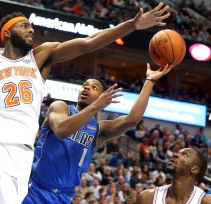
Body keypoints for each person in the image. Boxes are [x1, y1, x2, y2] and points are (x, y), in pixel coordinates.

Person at [0, 3, 170, 203]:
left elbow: (90, 43)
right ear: (7, 33)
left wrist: (132, 25)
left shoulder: (40, 57)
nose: (31, 29)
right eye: (24, 26)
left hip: (24, 151)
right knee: (6, 197)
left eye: (31, 26)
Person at [22, 63, 173, 204]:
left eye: (94, 87)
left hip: (64, 196)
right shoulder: (61, 108)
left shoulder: (100, 130)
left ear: (102, 97)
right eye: (84, 85)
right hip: (34, 188)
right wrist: (96, 106)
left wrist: (150, 80)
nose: (86, 88)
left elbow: (132, 120)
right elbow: (61, 130)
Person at [136, 148, 211, 204]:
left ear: (194, 169)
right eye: (178, 152)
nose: (175, 155)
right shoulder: (147, 197)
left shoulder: (205, 201)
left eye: (185, 154)